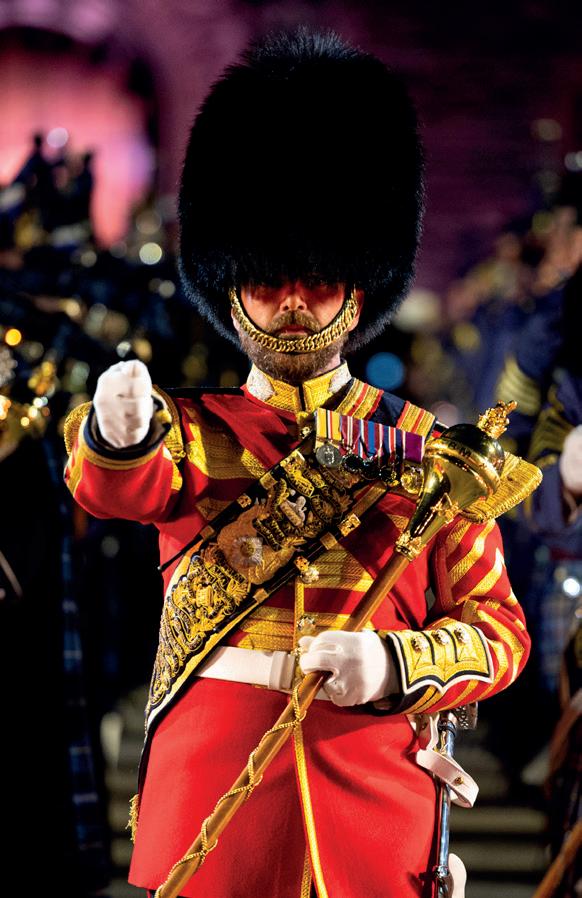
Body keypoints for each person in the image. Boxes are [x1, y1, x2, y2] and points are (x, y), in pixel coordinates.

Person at [64, 29, 530, 898]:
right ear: (229, 285)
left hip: (370, 801)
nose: (290, 303)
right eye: (266, 279)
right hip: (216, 794)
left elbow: (498, 630)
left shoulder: (426, 449)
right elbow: (118, 488)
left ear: (358, 286)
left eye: (316, 279)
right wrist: (118, 436)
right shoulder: (191, 432)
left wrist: (396, 666)